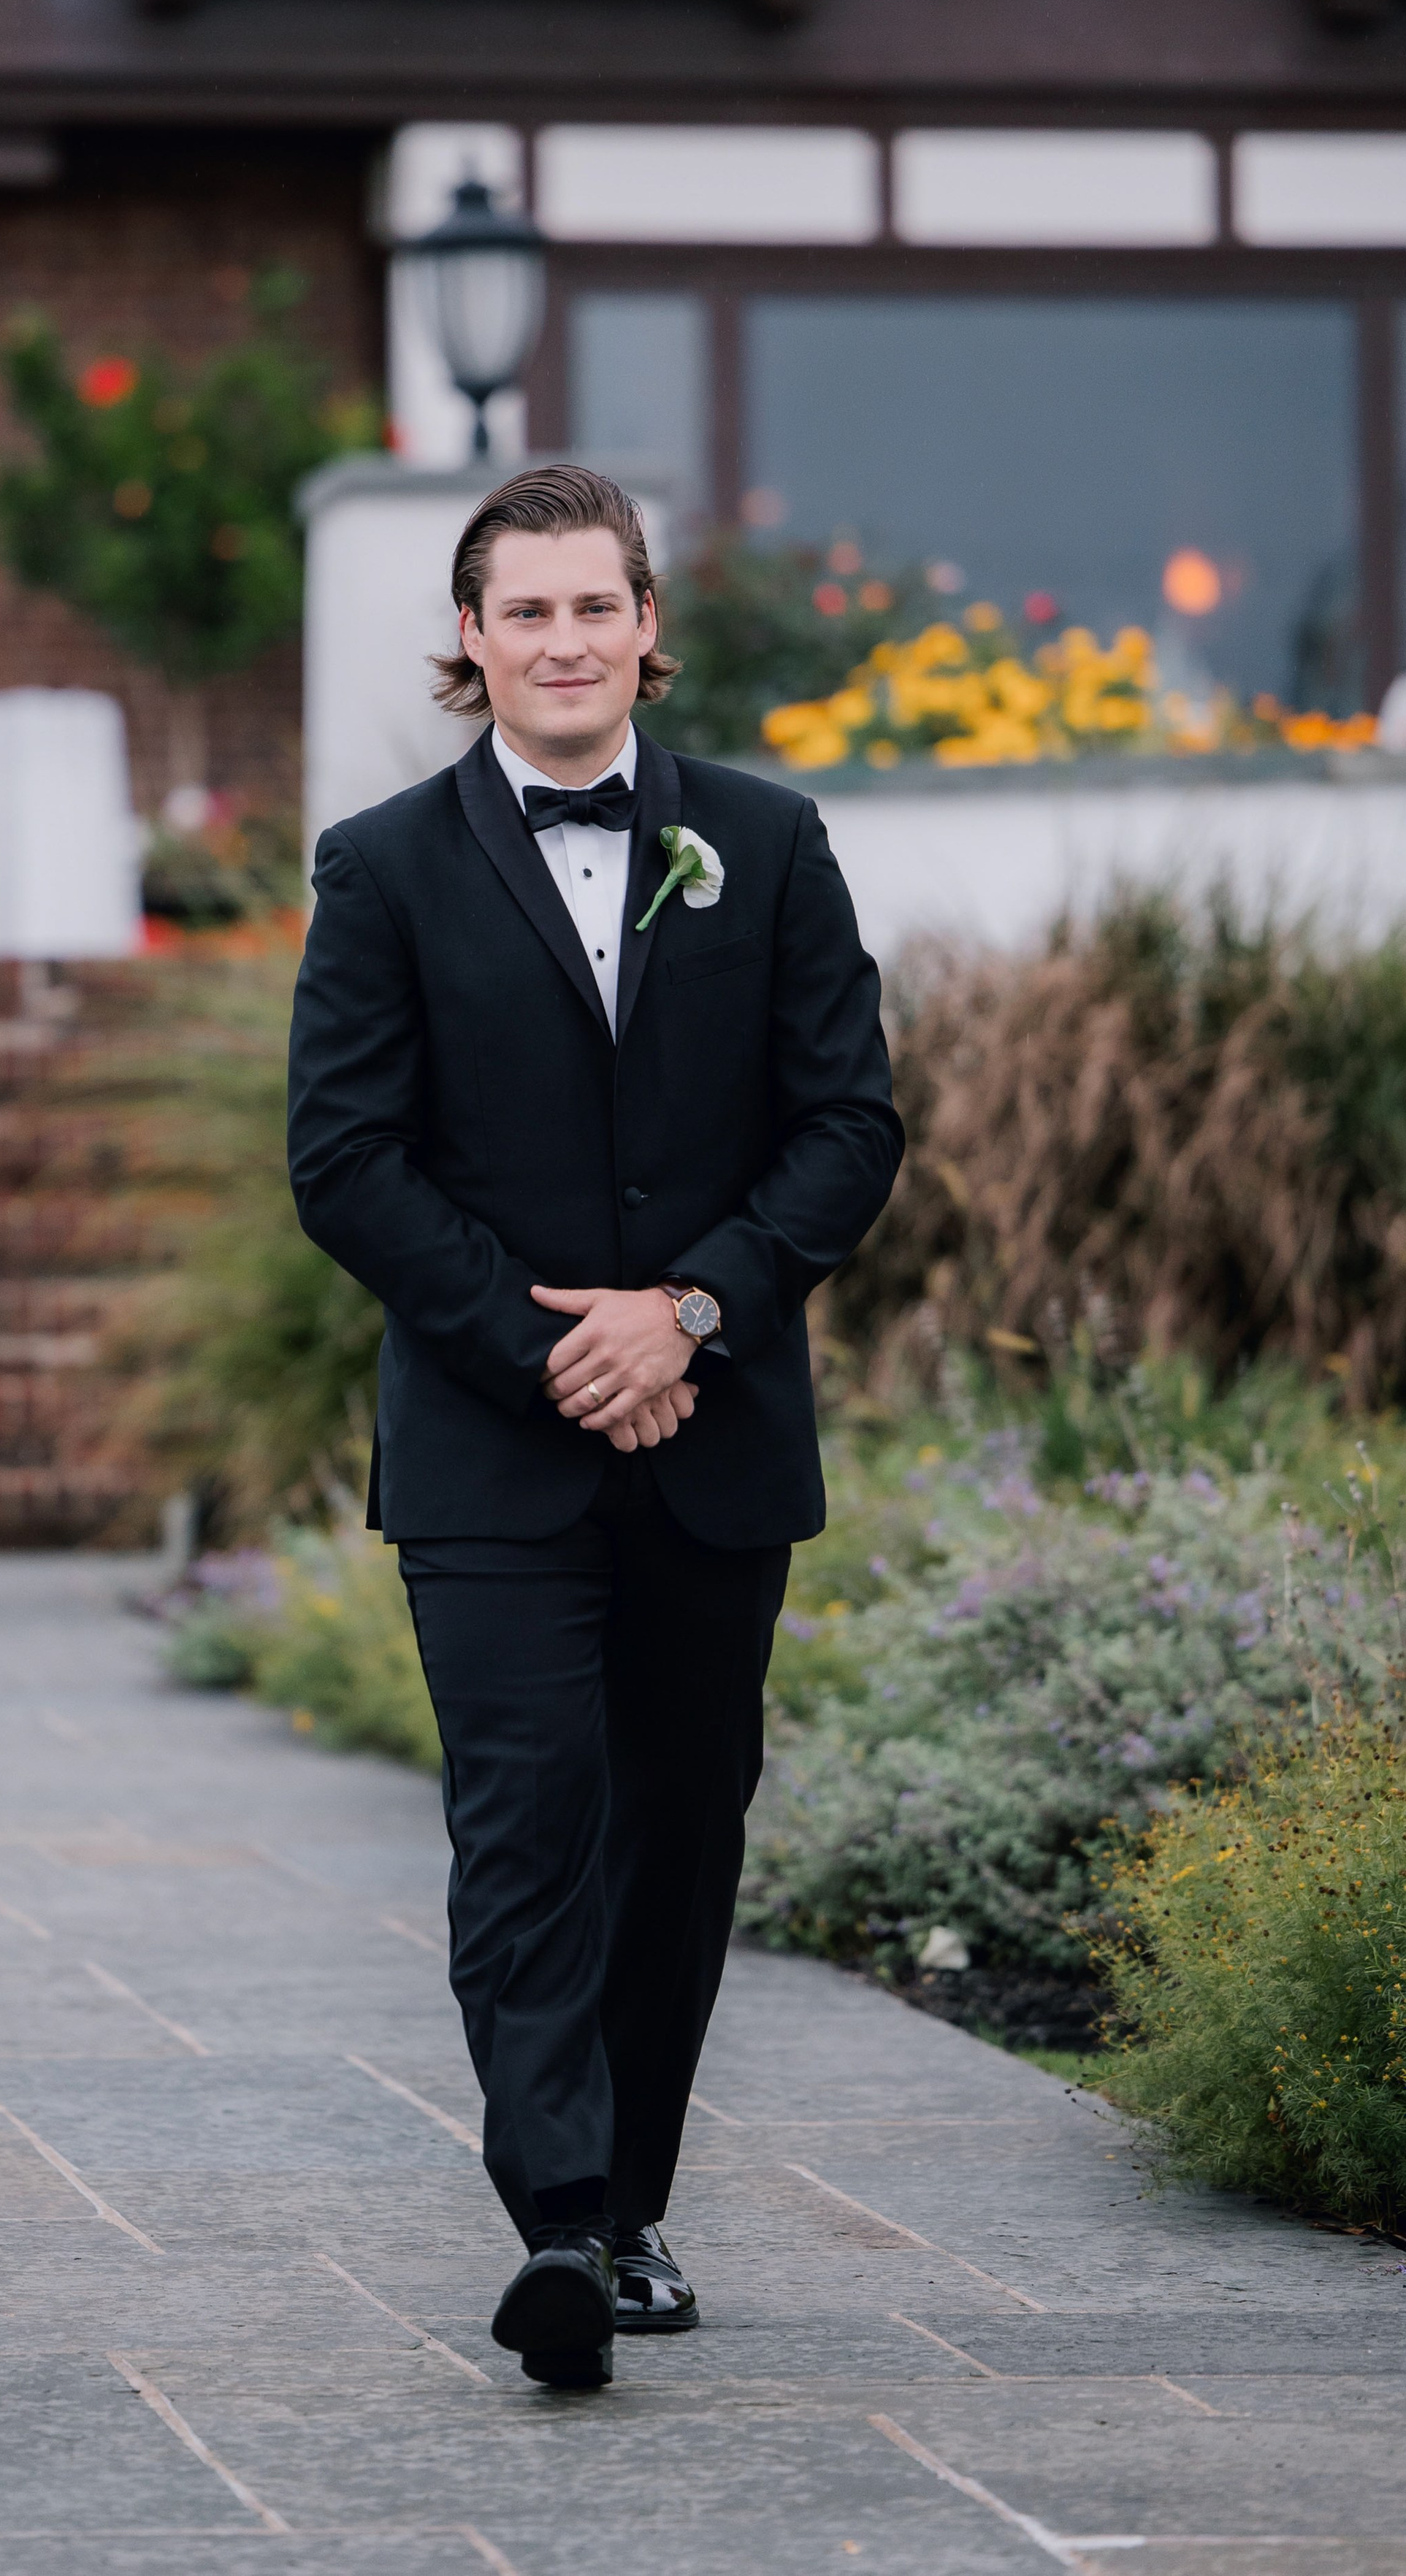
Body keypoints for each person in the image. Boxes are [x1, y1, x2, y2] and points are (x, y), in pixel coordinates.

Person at [287, 463, 902, 2388]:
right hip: (492, 1446)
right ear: (471, 642)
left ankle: (629, 2204)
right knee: (531, 1822)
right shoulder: (382, 866)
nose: (562, 641)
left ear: (650, 628)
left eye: (593, 606)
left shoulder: (768, 843)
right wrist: (552, 1349)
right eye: (522, 611)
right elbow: (346, 1160)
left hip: (714, 1437)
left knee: (682, 1830)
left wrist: (695, 1315)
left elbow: (848, 1126)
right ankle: (559, 2220)